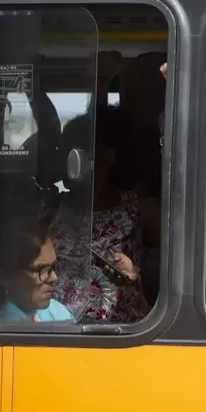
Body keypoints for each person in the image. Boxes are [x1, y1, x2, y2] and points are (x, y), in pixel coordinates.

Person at [52, 105, 149, 323]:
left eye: (78, 155)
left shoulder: (137, 209)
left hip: (122, 333)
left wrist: (134, 276)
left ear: (108, 158)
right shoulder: (52, 209)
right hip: (61, 329)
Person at [0, 192, 74, 323]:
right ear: (5, 277)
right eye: (40, 270)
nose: (54, 278)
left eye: (51, 267)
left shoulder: (57, 312)